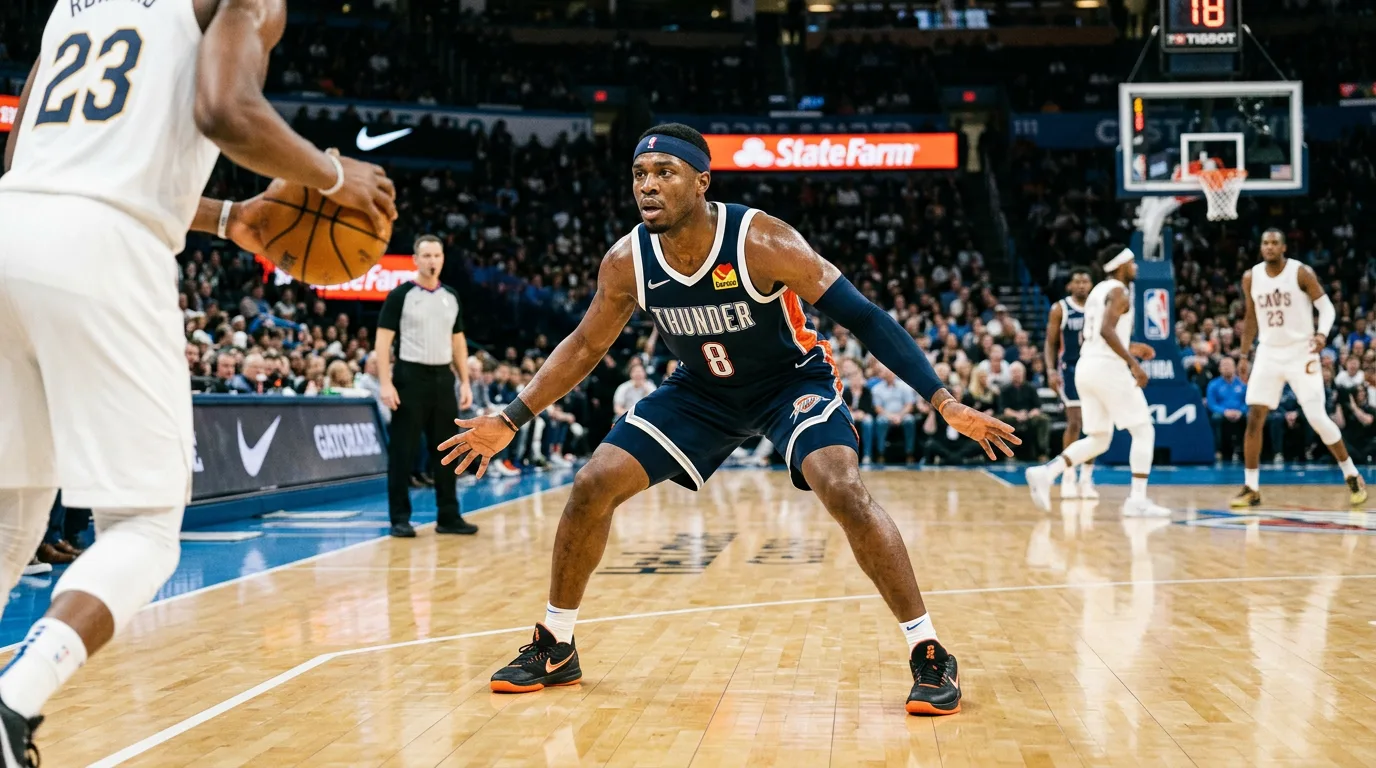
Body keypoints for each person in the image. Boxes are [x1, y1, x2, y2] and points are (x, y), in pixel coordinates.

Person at [437, 124, 1018, 717]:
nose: (648, 186)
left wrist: (944, 401)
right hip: (700, 393)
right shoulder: (626, 260)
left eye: (665, 172)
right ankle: (558, 645)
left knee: (842, 487)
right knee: (590, 484)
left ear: (701, 181)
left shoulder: (762, 240)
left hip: (789, 382)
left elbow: (865, 318)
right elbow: (586, 346)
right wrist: (511, 418)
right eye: (640, 174)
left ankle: (927, 650)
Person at [0, 0, 397, 760]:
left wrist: (229, 219)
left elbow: (30, 163)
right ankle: (14, 700)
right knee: (145, 529)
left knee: (8, 519)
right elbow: (225, 111)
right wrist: (334, 174)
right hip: (102, 250)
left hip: (10, 223)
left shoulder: (68, 5)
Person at [1024, 245, 1171, 517]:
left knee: (1099, 438)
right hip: (1107, 368)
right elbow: (1105, 330)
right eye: (1132, 262)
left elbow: (1089, 335)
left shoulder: (1096, 292)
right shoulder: (1119, 291)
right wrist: (1133, 364)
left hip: (1086, 366)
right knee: (1143, 430)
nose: (1135, 267)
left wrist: (1130, 347)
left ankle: (1047, 472)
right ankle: (1137, 500)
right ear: (1120, 266)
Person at [1232, 229, 1366, 507]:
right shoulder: (1251, 277)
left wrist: (1321, 335)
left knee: (1317, 417)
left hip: (1300, 352)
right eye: (1265, 243)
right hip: (1268, 352)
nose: (1268, 247)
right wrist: (1244, 355)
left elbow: (1327, 308)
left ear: (1283, 248)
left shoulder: (1300, 272)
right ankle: (1251, 486)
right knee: (1255, 416)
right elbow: (1251, 318)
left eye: (1274, 243)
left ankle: (1351, 473)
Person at [375, 235, 477, 538]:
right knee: (403, 452)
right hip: (410, 377)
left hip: (443, 378)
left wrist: (465, 381)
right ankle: (400, 518)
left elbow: (458, 342)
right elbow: (383, 340)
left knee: (447, 451)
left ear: (443, 258)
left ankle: (448, 515)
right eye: (426, 255)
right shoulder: (401, 295)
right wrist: (385, 381)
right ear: (416, 259)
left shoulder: (451, 296)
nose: (432, 260)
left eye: (437, 255)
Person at [1043, 268, 1096, 499]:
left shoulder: (1099, 307)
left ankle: (1086, 478)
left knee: (1094, 426)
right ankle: (1068, 475)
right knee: (1074, 423)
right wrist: (1051, 369)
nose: (1082, 285)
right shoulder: (1060, 308)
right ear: (1070, 286)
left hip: (1095, 368)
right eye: (1078, 281)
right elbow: (1050, 342)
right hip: (1070, 370)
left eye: (1086, 281)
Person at [996, 362, 1049, 460]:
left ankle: (1042, 452)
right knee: (1002, 420)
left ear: (1023, 373)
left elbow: (1037, 406)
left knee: (1043, 419)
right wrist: (1017, 415)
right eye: (1014, 372)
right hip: (1012, 417)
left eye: (1019, 371)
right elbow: (1003, 409)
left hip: (1029, 416)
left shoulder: (1031, 388)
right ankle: (1009, 454)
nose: (1017, 374)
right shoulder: (1005, 389)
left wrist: (1029, 414)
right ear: (1010, 374)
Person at [1206, 357, 1247, 461]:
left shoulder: (1243, 384)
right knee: (1216, 417)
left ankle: (1246, 449)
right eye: (1224, 366)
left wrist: (1240, 411)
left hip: (1239, 412)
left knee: (1251, 417)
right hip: (1222, 412)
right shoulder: (1213, 384)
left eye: (1229, 365)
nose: (1227, 368)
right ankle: (1218, 450)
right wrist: (1225, 412)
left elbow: (1248, 402)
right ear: (1219, 369)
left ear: (1235, 368)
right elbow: (1211, 404)